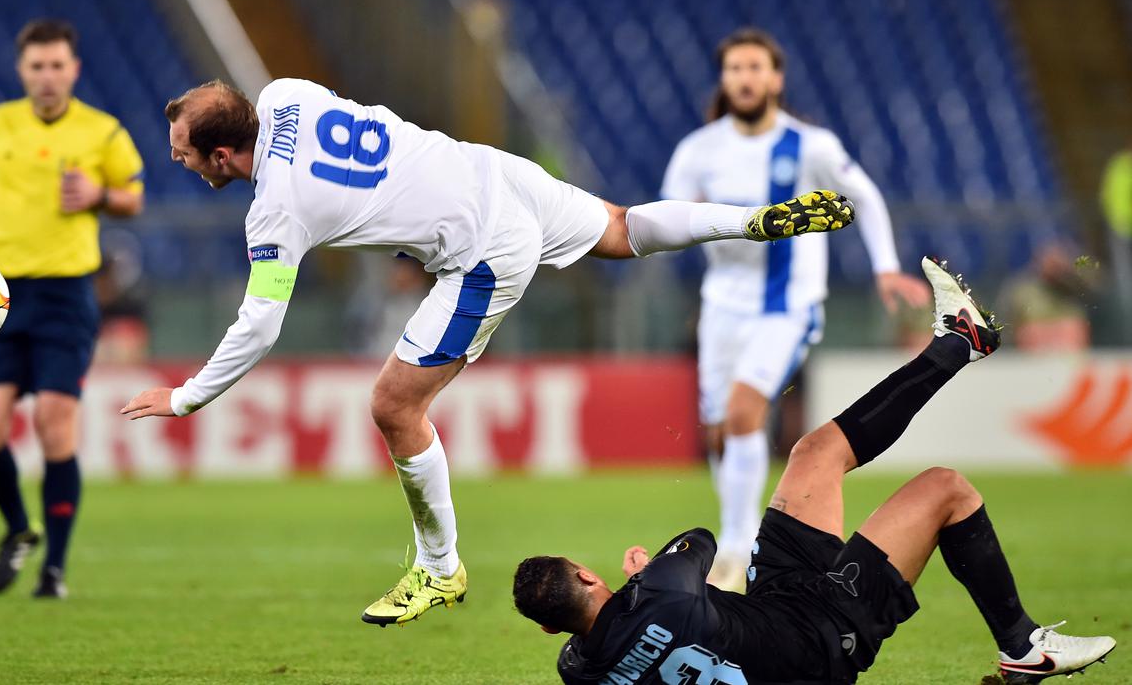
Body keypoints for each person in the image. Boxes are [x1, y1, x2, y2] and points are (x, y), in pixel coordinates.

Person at [119, 77, 855, 626]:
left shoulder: (274, 211)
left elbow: (259, 325)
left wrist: (187, 397)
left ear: (222, 152)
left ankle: (438, 569)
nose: (181, 162)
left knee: (393, 404)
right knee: (622, 229)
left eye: (185, 153)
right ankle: (748, 223)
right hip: (492, 173)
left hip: (481, 249)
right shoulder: (285, 94)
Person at [512, 257, 1117, 684]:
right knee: (946, 489)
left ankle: (959, 341)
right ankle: (1024, 645)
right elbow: (699, 541)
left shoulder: (582, 671)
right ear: (588, 575)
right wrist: (644, 572)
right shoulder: (660, 590)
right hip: (821, 636)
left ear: (552, 634)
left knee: (814, 453)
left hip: (771, 613)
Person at [660, 28, 931, 591]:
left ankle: (736, 554)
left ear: (776, 78)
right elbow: (670, 219)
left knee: (741, 414)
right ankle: (738, 537)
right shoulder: (698, 150)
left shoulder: (810, 145)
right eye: (735, 68)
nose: (745, 77)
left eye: (755, 67)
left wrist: (884, 266)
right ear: (724, 78)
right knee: (719, 432)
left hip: (788, 307)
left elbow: (867, 196)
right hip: (722, 308)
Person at [0, 19, 145, 598]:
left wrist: (100, 196)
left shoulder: (102, 131)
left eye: (58, 66)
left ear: (74, 69)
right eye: (38, 66)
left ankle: (54, 570)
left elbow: (133, 194)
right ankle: (16, 529)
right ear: (21, 71)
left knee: (54, 424)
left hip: (66, 294)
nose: (48, 76)